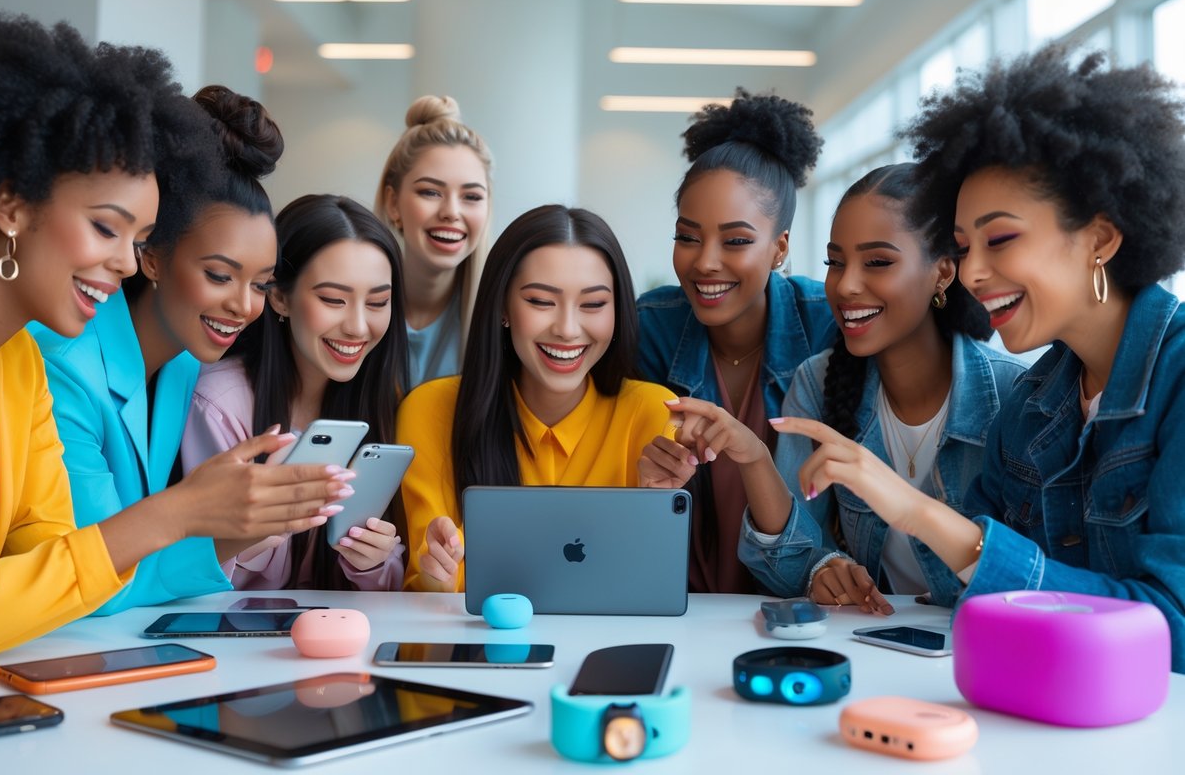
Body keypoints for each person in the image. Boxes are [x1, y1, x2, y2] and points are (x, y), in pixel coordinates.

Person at [774, 45, 1185, 671]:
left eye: (1000, 239)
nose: (972, 273)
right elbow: (985, 606)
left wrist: (912, 508)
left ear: (1100, 237)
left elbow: (1171, 634)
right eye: (963, 248)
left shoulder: (1176, 378)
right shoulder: (1032, 408)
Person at [0, 11, 344, 660]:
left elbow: (59, 571)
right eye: (106, 228)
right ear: (11, 205)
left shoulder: (20, 369)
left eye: (137, 239)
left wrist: (217, 519)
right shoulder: (56, 362)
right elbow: (66, 576)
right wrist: (179, 512)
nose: (122, 263)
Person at [30, 84, 354, 615]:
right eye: (220, 275)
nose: (244, 306)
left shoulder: (183, 362)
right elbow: (92, 579)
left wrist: (251, 523)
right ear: (152, 256)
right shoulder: (64, 369)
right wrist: (207, 513)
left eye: (260, 283)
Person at [646, 164, 1025, 612]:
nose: (845, 286)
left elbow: (1031, 582)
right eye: (835, 263)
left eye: (878, 262)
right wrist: (821, 567)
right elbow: (789, 564)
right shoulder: (816, 381)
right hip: (867, 646)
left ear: (943, 272)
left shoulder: (1012, 392)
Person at [398, 205, 676, 591]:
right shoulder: (431, 410)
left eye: (593, 304)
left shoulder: (653, 414)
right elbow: (429, 587)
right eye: (541, 302)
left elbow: (651, 588)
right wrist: (436, 575)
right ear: (502, 307)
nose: (566, 329)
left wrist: (649, 512)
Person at [637, 88, 836, 593]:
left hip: (800, 604)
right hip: (681, 602)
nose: (705, 261)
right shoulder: (649, 328)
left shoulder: (827, 324)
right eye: (687, 236)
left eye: (737, 241)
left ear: (779, 248)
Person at [181, 194, 409, 590]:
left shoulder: (379, 399)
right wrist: (251, 537)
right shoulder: (221, 404)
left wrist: (375, 563)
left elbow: (382, 594)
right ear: (280, 297)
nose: (358, 327)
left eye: (378, 302)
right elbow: (190, 572)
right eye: (333, 299)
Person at [374, 95, 492, 388]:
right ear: (393, 203)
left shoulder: (501, 319)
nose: (452, 212)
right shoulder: (352, 311)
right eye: (430, 192)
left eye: (472, 197)